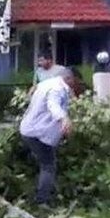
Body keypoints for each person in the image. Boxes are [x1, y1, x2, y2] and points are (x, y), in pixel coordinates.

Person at [19, 67, 80, 205]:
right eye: (75, 81)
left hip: (30, 129)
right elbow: (53, 105)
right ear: (69, 78)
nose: (75, 85)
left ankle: (37, 190)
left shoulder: (47, 83)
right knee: (48, 165)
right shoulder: (57, 89)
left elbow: (33, 94)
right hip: (39, 133)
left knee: (42, 161)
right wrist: (64, 119)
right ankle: (42, 201)